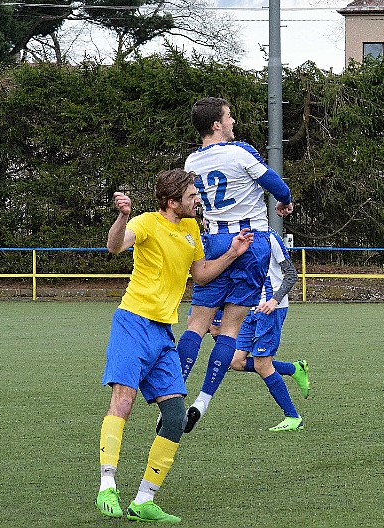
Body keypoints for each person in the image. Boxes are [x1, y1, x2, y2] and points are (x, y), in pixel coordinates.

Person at [95, 169, 253, 522]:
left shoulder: (192, 229)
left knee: (175, 416)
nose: (197, 199)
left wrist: (232, 254)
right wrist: (122, 216)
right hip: (132, 323)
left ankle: (143, 500)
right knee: (124, 399)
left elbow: (199, 275)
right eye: (192, 195)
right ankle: (107, 485)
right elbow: (115, 245)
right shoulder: (147, 222)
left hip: (164, 332)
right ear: (172, 201)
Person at [176, 97, 294, 432]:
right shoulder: (240, 152)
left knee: (196, 325)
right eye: (228, 116)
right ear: (217, 124)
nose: (233, 121)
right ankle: (202, 401)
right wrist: (284, 202)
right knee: (229, 329)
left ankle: (174, 396)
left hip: (213, 241)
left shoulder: (191, 161)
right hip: (249, 239)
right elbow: (278, 186)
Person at [229, 227, 309, 431]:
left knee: (262, 365)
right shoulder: (232, 234)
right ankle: (294, 369)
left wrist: (274, 300)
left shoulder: (269, 235)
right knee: (236, 361)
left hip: (270, 309)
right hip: (249, 308)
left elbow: (291, 274)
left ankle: (293, 417)